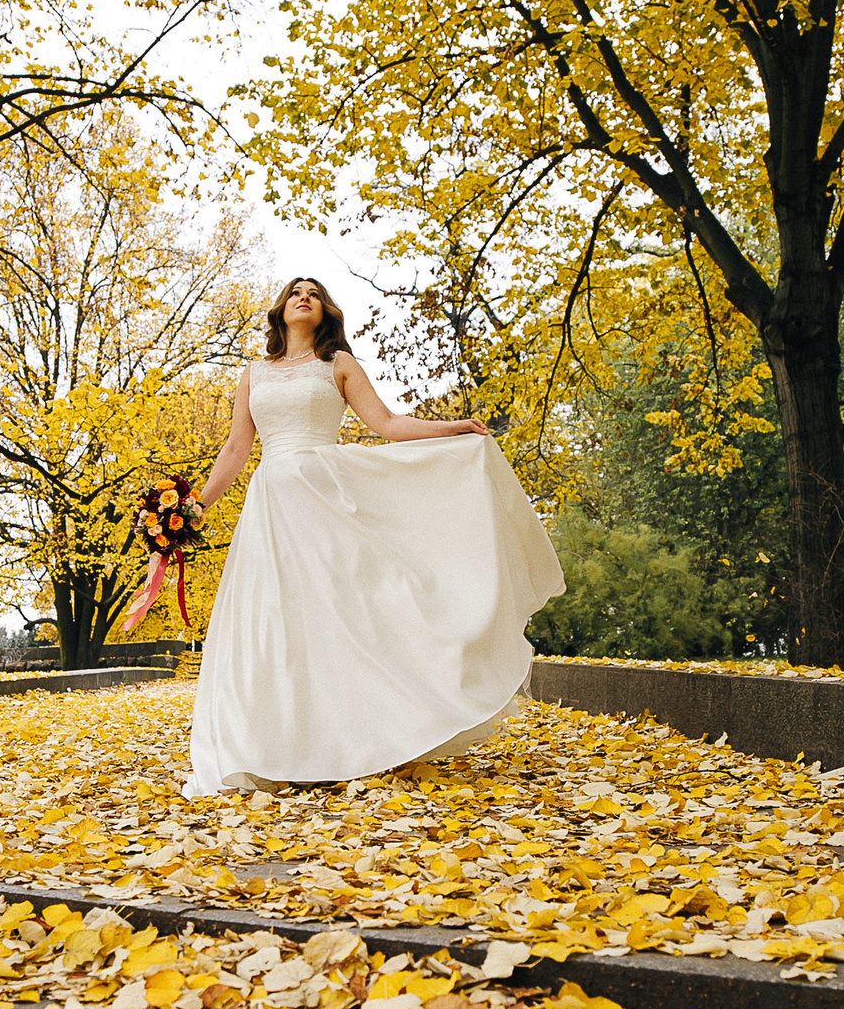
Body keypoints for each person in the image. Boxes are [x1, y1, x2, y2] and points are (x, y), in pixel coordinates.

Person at [181, 277, 564, 798]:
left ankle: (354, 740)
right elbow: (235, 450)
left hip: (326, 501)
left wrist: (450, 428)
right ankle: (273, 744)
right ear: (281, 309)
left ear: (325, 311)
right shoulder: (254, 374)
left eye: (314, 293)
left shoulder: (337, 365)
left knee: (342, 616)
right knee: (275, 619)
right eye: (295, 291)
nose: (304, 297)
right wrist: (193, 508)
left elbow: (386, 424)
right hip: (271, 509)